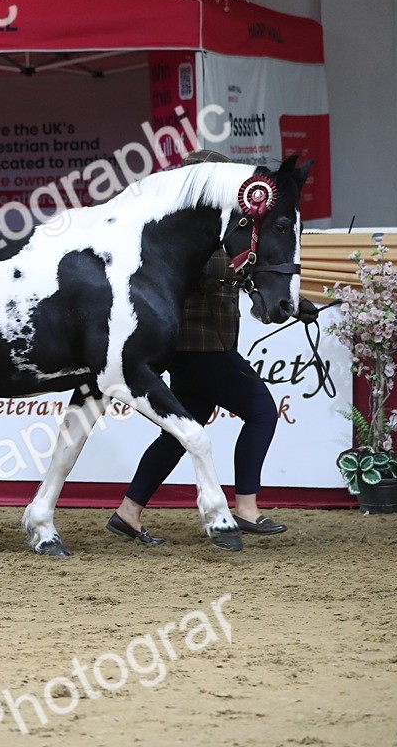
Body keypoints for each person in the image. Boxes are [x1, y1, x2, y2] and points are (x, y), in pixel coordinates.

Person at [106, 151, 319, 546]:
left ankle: (128, 512)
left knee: (179, 432)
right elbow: (215, 270)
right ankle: (247, 507)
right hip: (201, 346)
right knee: (261, 411)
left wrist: (292, 301)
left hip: (204, 344)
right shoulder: (187, 229)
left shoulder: (222, 229)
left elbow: (240, 272)